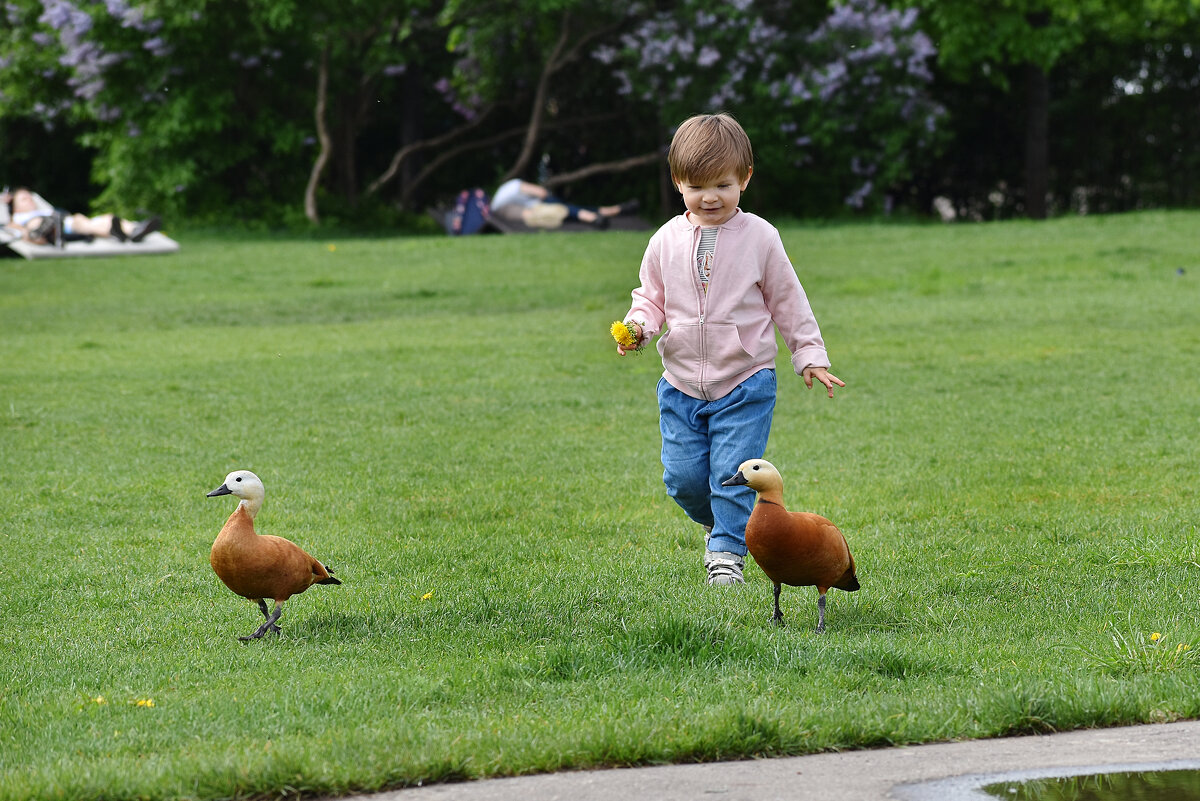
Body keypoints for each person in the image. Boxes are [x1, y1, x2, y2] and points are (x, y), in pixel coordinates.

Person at [615, 113, 844, 586]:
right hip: (680, 385)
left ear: (745, 178)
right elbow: (650, 299)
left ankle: (725, 556)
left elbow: (788, 299)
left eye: (723, 184)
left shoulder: (761, 237)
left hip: (745, 380)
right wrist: (639, 327)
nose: (711, 196)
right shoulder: (663, 241)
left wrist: (809, 354)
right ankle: (719, 524)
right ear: (678, 182)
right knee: (683, 480)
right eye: (698, 185)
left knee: (730, 475)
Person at [2, 187, 160, 245]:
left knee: (109, 218)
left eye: (30, 197)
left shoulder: (45, 209)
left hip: (66, 222)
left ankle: (135, 231)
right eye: (24, 199)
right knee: (38, 222)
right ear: (15, 207)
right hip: (58, 227)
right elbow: (13, 229)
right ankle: (40, 232)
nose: (29, 200)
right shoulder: (16, 219)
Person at [490, 179, 634, 230]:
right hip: (539, 207)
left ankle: (614, 210)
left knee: (572, 210)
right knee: (565, 208)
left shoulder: (500, 201)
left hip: (535, 208)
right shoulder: (515, 185)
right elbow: (541, 193)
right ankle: (602, 215)